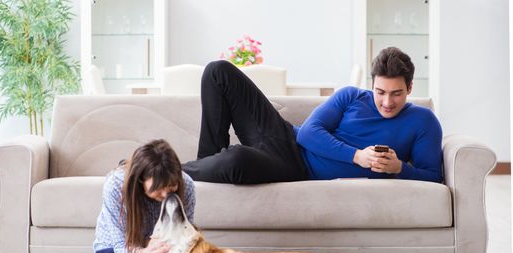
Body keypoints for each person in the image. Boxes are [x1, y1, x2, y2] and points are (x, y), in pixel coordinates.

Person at [182, 47, 443, 184]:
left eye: (396, 93)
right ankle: (204, 168)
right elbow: (308, 133)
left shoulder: (423, 122)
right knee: (218, 71)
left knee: (236, 159)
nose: (387, 102)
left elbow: (433, 176)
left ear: (410, 88)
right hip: (283, 136)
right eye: (380, 92)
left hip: (294, 168)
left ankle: (176, 173)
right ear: (371, 85)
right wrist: (357, 156)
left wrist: (399, 168)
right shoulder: (351, 96)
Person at [90, 139, 196, 253]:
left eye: (171, 188)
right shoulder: (116, 186)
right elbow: (119, 246)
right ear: (140, 180)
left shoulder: (187, 184)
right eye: (158, 188)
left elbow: (185, 231)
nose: (165, 194)